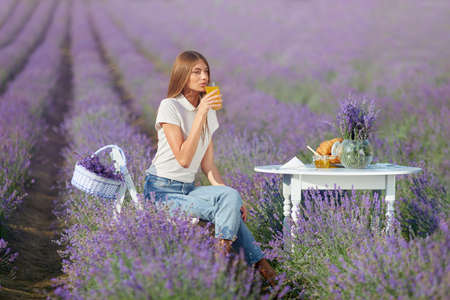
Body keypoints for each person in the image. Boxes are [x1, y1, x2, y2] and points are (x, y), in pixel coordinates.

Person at [143, 50, 277, 286]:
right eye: (197, 72)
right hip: (161, 192)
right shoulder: (170, 106)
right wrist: (200, 113)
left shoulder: (209, 111)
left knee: (231, 198)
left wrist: (233, 200)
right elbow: (184, 158)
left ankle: (221, 262)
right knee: (228, 201)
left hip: (187, 190)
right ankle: (259, 269)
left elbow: (208, 166)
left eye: (206, 71)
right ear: (183, 76)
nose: (204, 76)